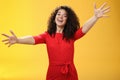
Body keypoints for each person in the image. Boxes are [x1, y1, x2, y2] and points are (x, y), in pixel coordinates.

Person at [2, 2, 110, 80]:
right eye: (58, 14)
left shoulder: (71, 36)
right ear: (54, 18)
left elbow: (84, 29)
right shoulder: (47, 35)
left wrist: (95, 17)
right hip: (53, 73)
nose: (61, 17)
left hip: (70, 72)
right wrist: (18, 40)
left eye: (65, 16)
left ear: (68, 20)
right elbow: (33, 39)